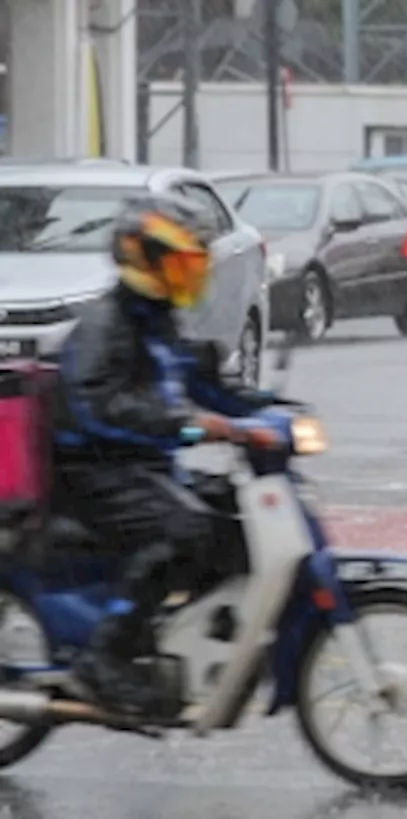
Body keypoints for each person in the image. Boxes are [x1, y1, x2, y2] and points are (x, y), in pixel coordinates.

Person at [52, 194, 278, 713]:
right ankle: (106, 656)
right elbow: (96, 406)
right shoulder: (106, 324)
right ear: (144, 259)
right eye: (178, 263)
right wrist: (189, 426)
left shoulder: (157, 322)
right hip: (90, 471)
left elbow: (203, 382)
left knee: (229, 516)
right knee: (181, 531)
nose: (187, 275)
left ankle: (184, 632)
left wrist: (268, 411)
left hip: (138, 466)